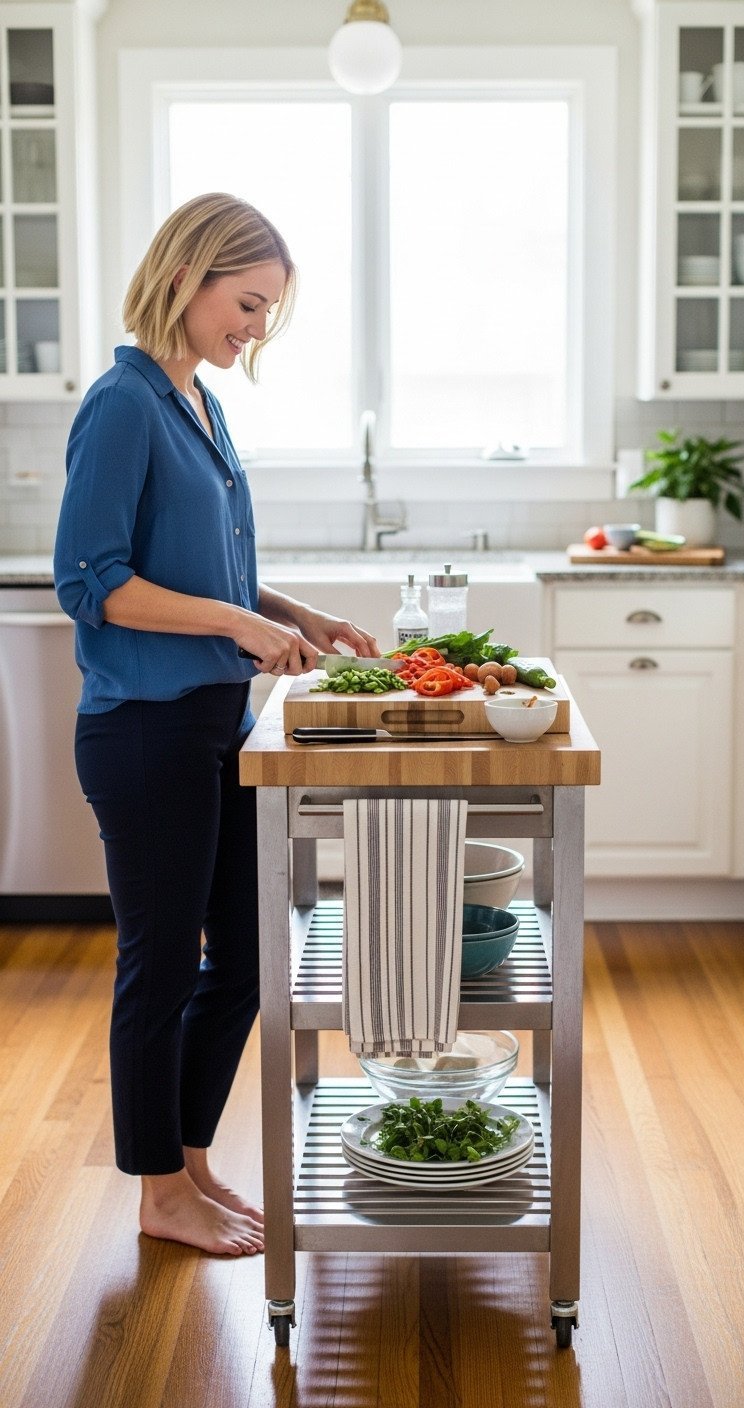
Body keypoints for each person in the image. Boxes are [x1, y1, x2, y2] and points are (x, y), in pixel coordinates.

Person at [54, 192, 379, 1257]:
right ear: (188, 279)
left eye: (267, 312)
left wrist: (294, 612)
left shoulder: (197, 401)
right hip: (143, 731)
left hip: (213, 723)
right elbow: (93, 583)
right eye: (246, 304)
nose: (254, 329)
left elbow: (215, 574)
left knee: (243, 953)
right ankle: (156, 1188)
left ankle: (188, 1163)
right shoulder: (123, 403)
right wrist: (240, 620)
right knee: (160, 960)